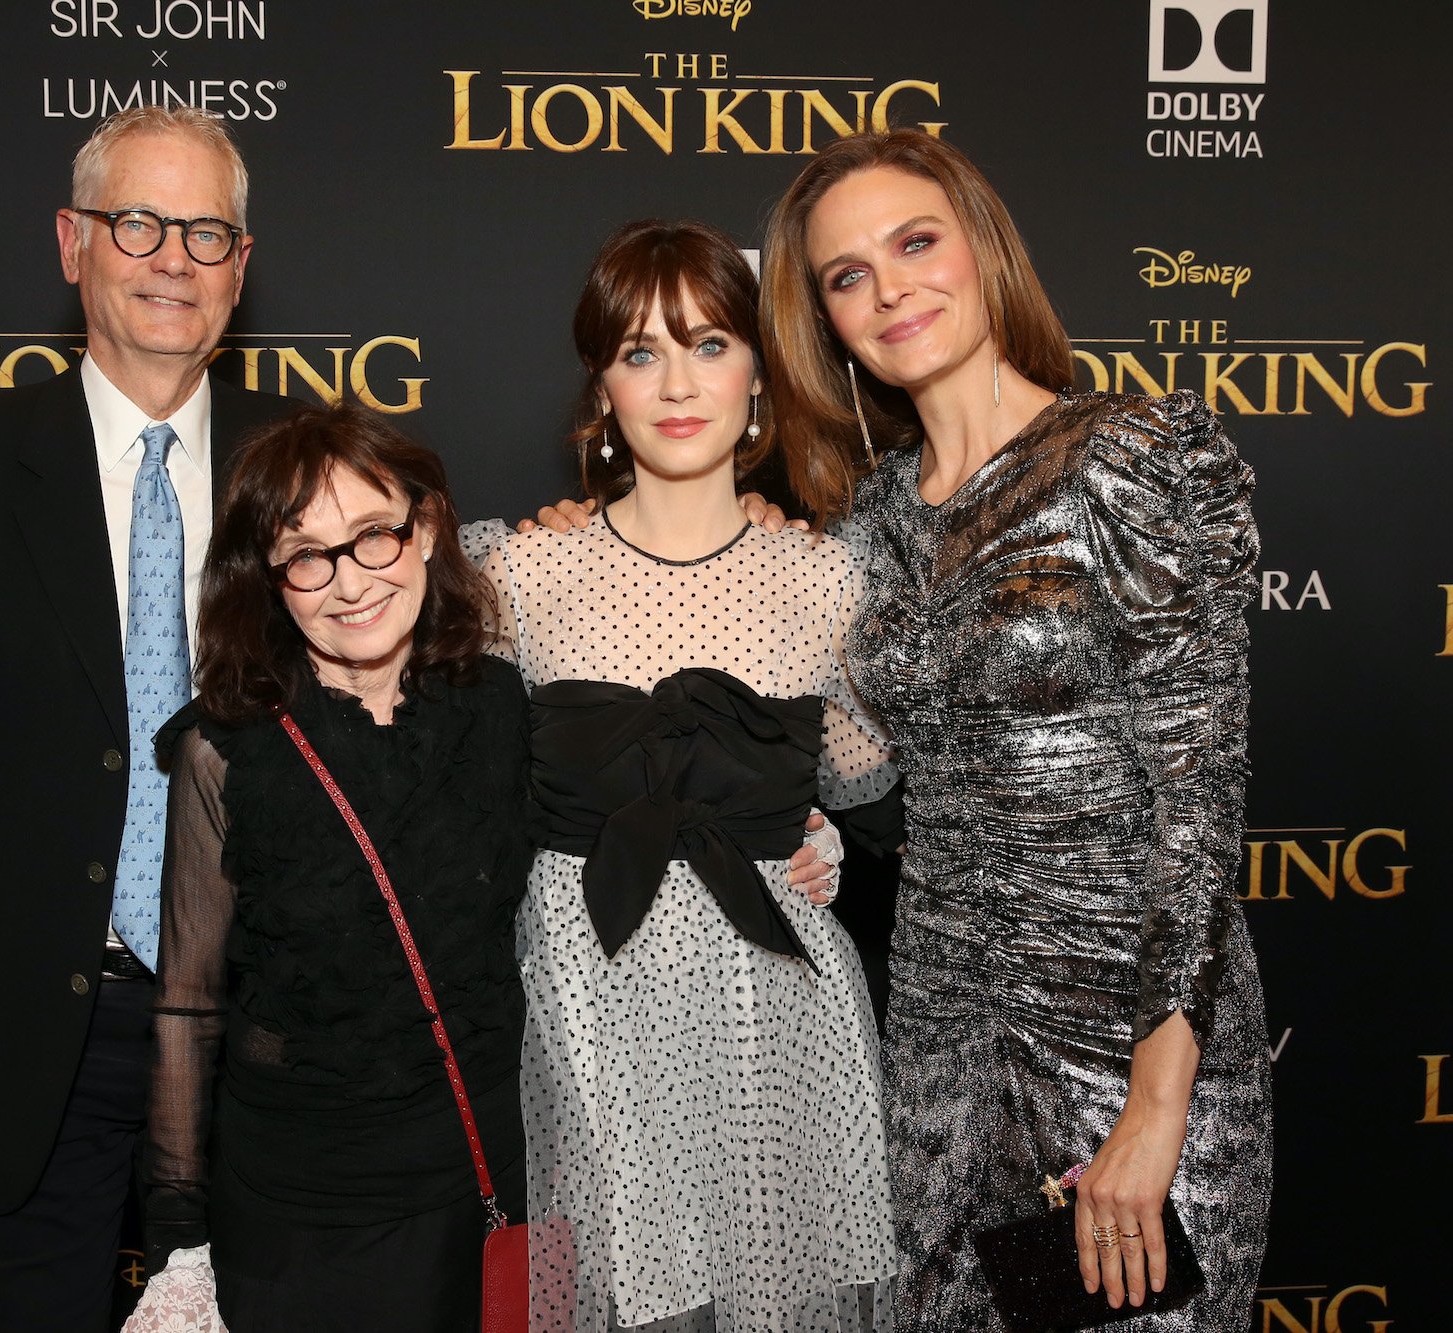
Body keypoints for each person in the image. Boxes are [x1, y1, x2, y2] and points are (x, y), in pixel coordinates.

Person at [759, 129, 1272, 1329]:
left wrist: (1153, 1109)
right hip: (938, 1046)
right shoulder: (865, 524)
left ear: (982, 247)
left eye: (914, 242)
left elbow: (1195, 805)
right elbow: (847, 755)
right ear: (825, 319)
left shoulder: (1129, 457)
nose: (890, 290)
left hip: (1127, 1034)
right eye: (846, 275)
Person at [0, 105, 293, 1329]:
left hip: (270, 1037)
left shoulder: (306, 467)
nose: (172, 259)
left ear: (240, 267)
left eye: (205, 233)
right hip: (27, 1044)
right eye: (137, 222)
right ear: (71, 242)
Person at [479, 219, 904, 1332]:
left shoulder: (825, 578)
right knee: (583, 1296)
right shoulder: (519, 572)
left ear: (760, 375)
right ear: (601, 388)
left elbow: (870, 796)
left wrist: (815, 832)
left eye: (709, 345)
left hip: (776, 1020)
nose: (677, 384)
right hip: (581, 1011)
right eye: (640, 352)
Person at [136, 402, 535, 1330]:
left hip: (492, 1180)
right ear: (270, 579)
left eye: (373, 536)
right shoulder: (224, 750)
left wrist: (793, 832)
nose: (349, 582)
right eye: (307, 555)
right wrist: (177, 1239)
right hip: (301, 1217)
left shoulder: (501, 705)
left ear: (425, 529)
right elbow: (188, 1004)